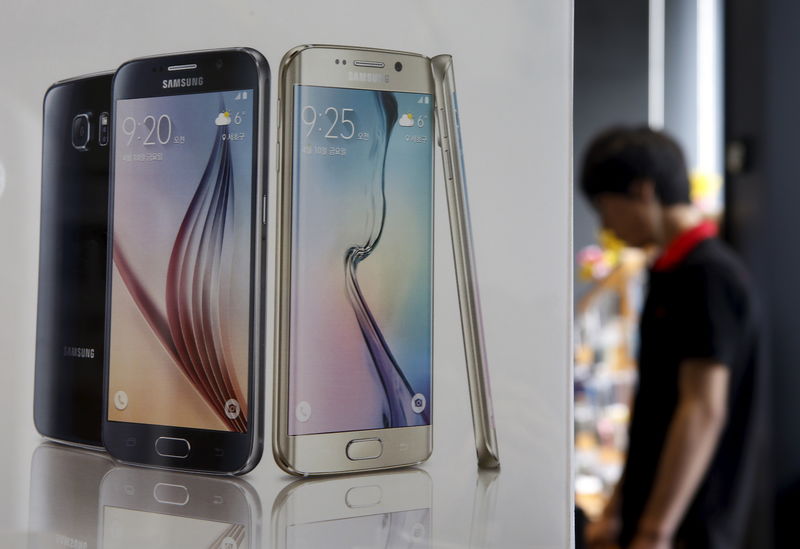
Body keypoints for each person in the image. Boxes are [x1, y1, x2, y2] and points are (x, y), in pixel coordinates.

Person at [580, 127, 765, 549]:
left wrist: (654, 531)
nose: (605, 224)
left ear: (642, 192)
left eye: (606, 207)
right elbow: (656, 410)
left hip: (691, 528)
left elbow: (703, 409)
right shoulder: (670, 271)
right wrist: (617, 509)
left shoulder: (709, 275)